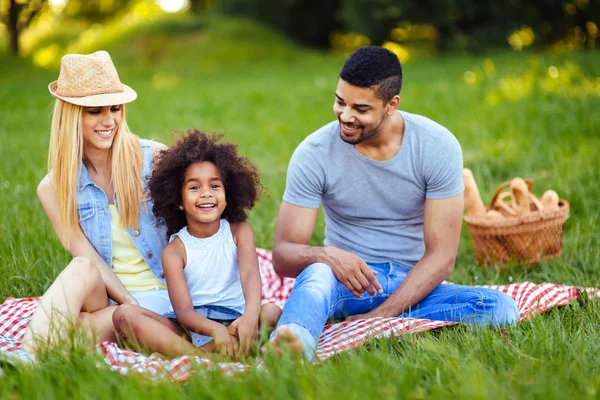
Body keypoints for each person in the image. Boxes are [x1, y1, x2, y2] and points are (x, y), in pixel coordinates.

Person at [269, 46, 520, 360]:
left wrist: (383, 315)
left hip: (413, 285)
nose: (345, 116)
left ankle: (392, 324)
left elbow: (442, 257)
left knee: (501, 308)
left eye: (360, 108)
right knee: (316, 274)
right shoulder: (314, 153)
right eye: (339, 101)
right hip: (343, 283)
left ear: (391, 105)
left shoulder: (436, 146)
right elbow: (282, 255)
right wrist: (328, 255)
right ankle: (292, 345)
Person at [20, 51, 178, 357]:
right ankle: (26, 359)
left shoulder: (155, 160)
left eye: (115, 108)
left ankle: (27, 358)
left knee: (65, 337)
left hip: (167, 296)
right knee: (81, 266)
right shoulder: (54, 187)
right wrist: (127, 302)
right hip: (112, 300)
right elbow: (86, 255)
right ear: (71, 115)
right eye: (95, 111)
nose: (109, 121)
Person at [114, 130, 281, 358]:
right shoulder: (174, 251)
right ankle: (204, 355)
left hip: (237, 321)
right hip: (192, 329)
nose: (205, 194)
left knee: (271, 311)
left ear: (227, 193)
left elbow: (250, 274)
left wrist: (250, 317)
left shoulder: (239, 233)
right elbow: (183, 311)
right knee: (124, 315)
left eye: (215, 186)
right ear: (178, 200)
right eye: (194, 187)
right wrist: (215, 330)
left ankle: (194, 356)